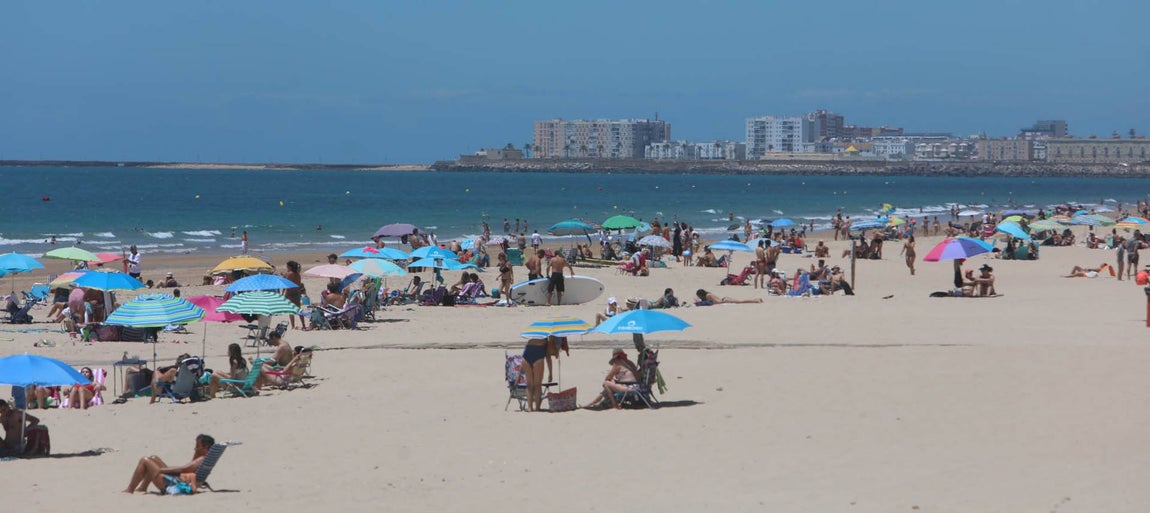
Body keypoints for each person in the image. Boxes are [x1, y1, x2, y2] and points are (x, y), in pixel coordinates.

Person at [122, 433, 215, 494]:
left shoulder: (202, 459)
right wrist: (197, 452)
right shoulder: (203, 458)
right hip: (178, 480)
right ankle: (143, 487)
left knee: (145, 460)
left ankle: (130, 489)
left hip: (174, 484)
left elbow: (184, 469)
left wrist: (161, 470)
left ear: (205, 447)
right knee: (154, 458)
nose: (195, 448)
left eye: (197, 446)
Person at [521, 337, 548, 412]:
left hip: (526, 355)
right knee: (537, 385)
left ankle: (529, 407)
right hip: (538, 354)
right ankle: (537, 408)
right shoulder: (546, 339)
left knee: (529, 385)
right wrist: (551, 373)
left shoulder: (531, 337)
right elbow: (548, 357)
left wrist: (519, 373)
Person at [283, 260, 307, 330]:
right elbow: (299, 284)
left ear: (290, 267)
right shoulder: (298, 274)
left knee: (291, 310)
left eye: (287, 266)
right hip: (297, 292)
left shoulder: (289, 274)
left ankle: (293, 326)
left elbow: (285, 283)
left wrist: (283, 292)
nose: (286, 267)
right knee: (299, 309)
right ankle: (303, 325)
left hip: (290, 293)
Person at [694, 289, 763, 306]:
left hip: (724, 300)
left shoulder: (708, 295)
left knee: (741, 301)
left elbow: (716, 302)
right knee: (740, 301)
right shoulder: (707, 294)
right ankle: (756, 300)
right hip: (724, 299)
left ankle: (756, 301)